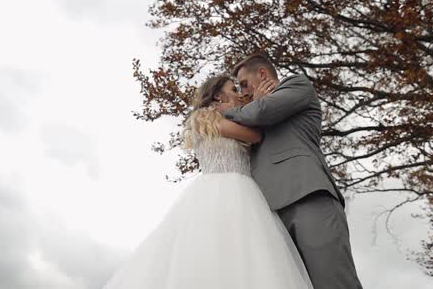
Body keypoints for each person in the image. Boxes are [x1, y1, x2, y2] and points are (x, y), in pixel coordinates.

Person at [102, 75, 314, 289]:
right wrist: (258, 103)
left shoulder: (233, 117)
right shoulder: (204, 117)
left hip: (245, 195)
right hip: (217, 192)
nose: (239, 94)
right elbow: (255, 136)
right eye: (233, 89)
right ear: (217, 95)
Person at [213, 52, 363, 289]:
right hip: (267, 214)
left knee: (332, 281)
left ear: (262, 74)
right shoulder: (247, 117)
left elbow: (262, 113)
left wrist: (223, 111)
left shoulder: (297, 85)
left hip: (307, 196)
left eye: (244, 85)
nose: (242, 94)